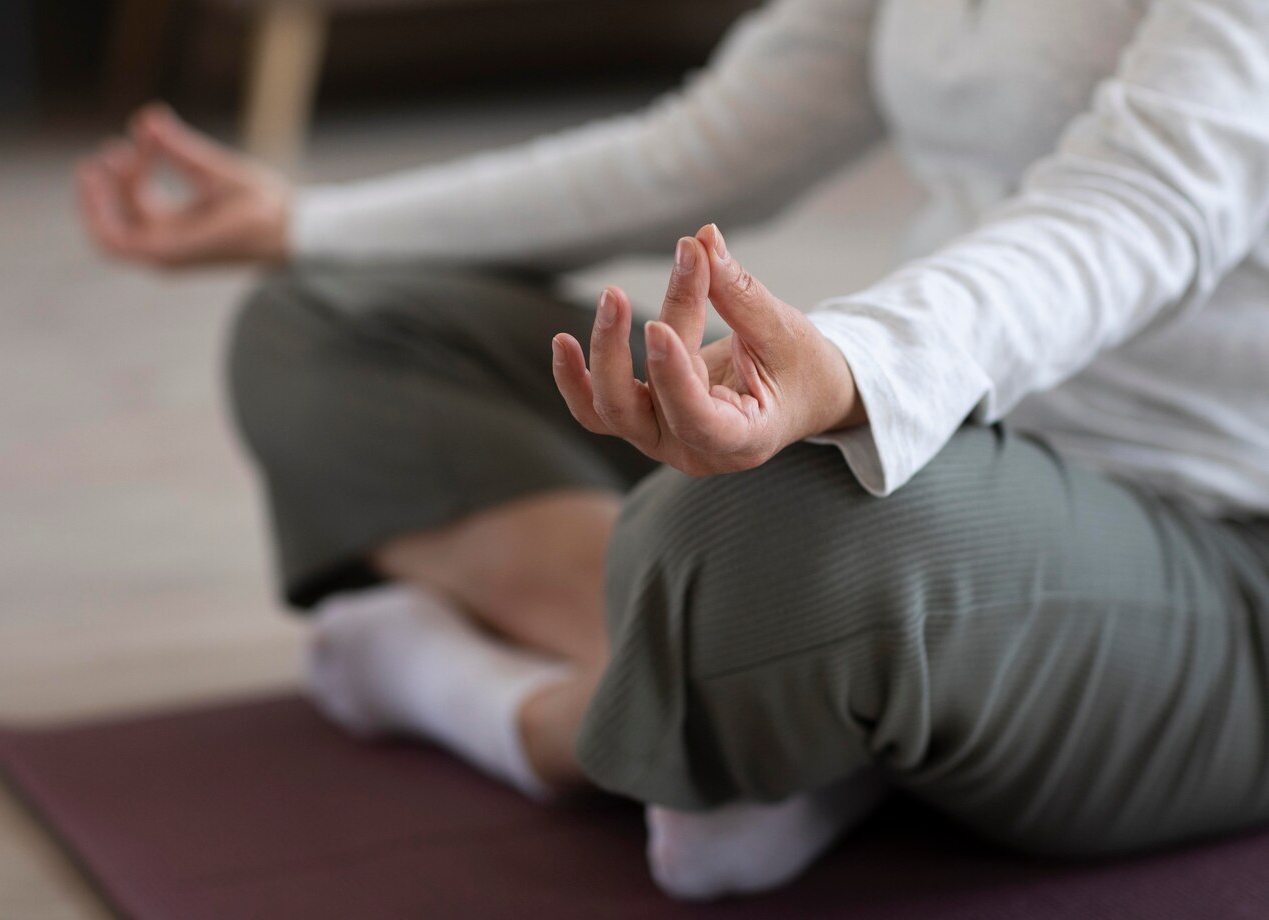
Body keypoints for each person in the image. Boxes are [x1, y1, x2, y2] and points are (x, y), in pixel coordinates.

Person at [76, 0, 1269, 901]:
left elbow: (1149, 202)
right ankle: (757, 711)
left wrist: (850, 366)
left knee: (753, 522)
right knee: (333, 315)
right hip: (959, 441)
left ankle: (517, 712)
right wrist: (308, 224)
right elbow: (707, 142)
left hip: (1215, 547)